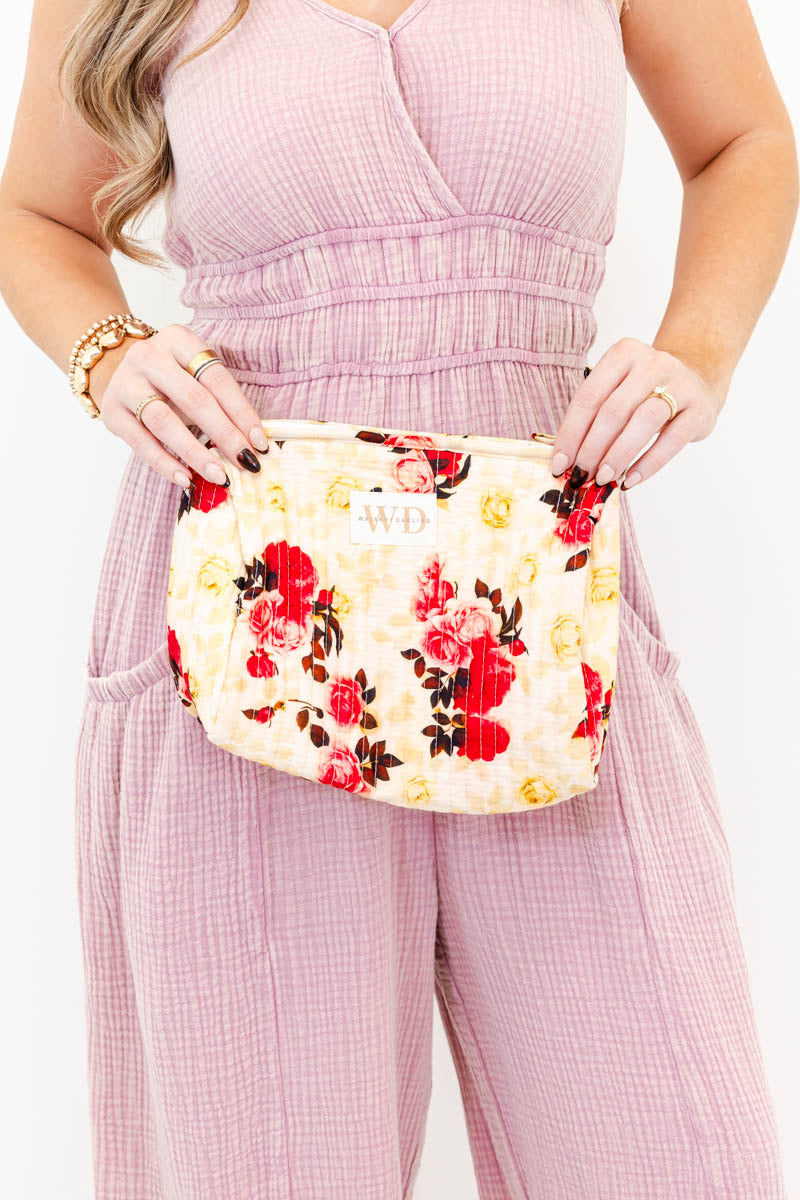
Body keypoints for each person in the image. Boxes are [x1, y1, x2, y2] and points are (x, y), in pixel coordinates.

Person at [0, 0, 796, 1196]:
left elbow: (742, 138)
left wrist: (697, 349)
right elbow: (35, 211)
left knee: (673, 1151)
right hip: (247, 619)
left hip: (546, 610)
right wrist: (107, 352)